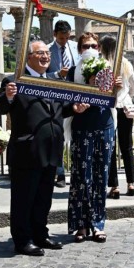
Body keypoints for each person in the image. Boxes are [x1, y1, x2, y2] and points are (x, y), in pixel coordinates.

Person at [0, 40, 88, 256]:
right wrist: (8, 96)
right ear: (28, 57)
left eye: (47, 53)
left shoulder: (53, 81)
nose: (46, 56)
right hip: (27, 151)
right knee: (23, 199)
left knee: (43, 198)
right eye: (40, 53)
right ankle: (23, 240)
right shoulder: (14, 81)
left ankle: (40, 234)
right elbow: (0, 106)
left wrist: (75, 108)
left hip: (51, 149)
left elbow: (61, 110)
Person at [66, 32, 122, 243]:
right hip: (82, 128)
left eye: (93, 45)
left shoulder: (109, 70)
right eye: (85, 46)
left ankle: (98, 224)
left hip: (104, 126)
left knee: (100, 176)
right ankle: (80, 225)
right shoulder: (72, 72)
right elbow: (68, 101)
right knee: (81, 177)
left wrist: (115, 88)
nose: (89, 49)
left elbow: (113, 102)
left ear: (99, 49)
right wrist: (78, 102)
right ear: (79, 50)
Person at [99, 35, 134, 199]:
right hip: (125, 108)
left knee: (111, 148)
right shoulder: (126, 63)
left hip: (109, 109)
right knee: (127, 146)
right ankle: (131, 183)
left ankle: (114, 186)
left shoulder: (102, 64)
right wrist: (126, 94)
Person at [47, 20, 79, 188]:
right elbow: (42, 75)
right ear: (55, 35)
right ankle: (60, 173)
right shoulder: (47, 50)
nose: (64, 41)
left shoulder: (75, 47)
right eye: (61, 38)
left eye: (67, 37)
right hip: (57, 99)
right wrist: (58, 74)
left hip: (74, 97)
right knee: (58, 136)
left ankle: (76, 171)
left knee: (76, 135)